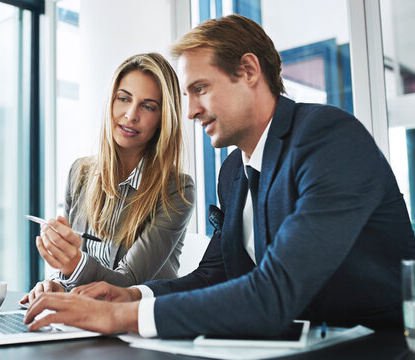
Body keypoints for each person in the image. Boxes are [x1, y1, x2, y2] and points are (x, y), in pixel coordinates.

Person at [23, 14, 415, 338]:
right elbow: (215, 274)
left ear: (248, 70)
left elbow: (277, 291)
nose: (190, 111)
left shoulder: (327, 138)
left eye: (200, 89)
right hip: (290, 345)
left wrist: (121, 319)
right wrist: (133, 297)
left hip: (375, 346)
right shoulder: (233, 172)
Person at [20, 53, 195, 305]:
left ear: (162, 119)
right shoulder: (79, 173)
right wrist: (57, 283)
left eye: (148, 106)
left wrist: (73, 264)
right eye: (124, 99)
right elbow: (73, 273)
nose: (131, 115)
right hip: (85, 319)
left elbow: (127, 285)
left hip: (136, 325)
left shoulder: (177, 189)